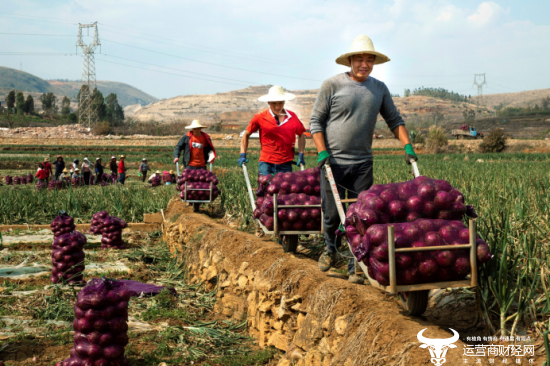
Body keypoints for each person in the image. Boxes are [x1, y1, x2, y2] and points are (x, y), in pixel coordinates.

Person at [309, 34, 418, 284]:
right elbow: (316, 121)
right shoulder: (332, 85)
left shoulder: (378, 88)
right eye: (359, 59)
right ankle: (329, 249)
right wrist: (322, 151)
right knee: (331, 215)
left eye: (369, 60)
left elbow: (394, 120)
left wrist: (408, 146)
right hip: (332, 162)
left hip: (362, 163)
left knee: (360, 215)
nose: (364, 64)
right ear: (350, 60)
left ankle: (354, 264)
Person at [239, 85, 306, 175]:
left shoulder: (292, 117)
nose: (277, 106)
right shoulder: (260, 117)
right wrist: (242, 154)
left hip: (285, 164)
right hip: (266, 163)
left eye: (280, 103)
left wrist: (301, 154)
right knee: (266, 188)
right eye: (274, 103)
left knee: (285, 188)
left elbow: (301, 134)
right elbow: (246, 134)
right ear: (269, 102)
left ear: (284, 102)